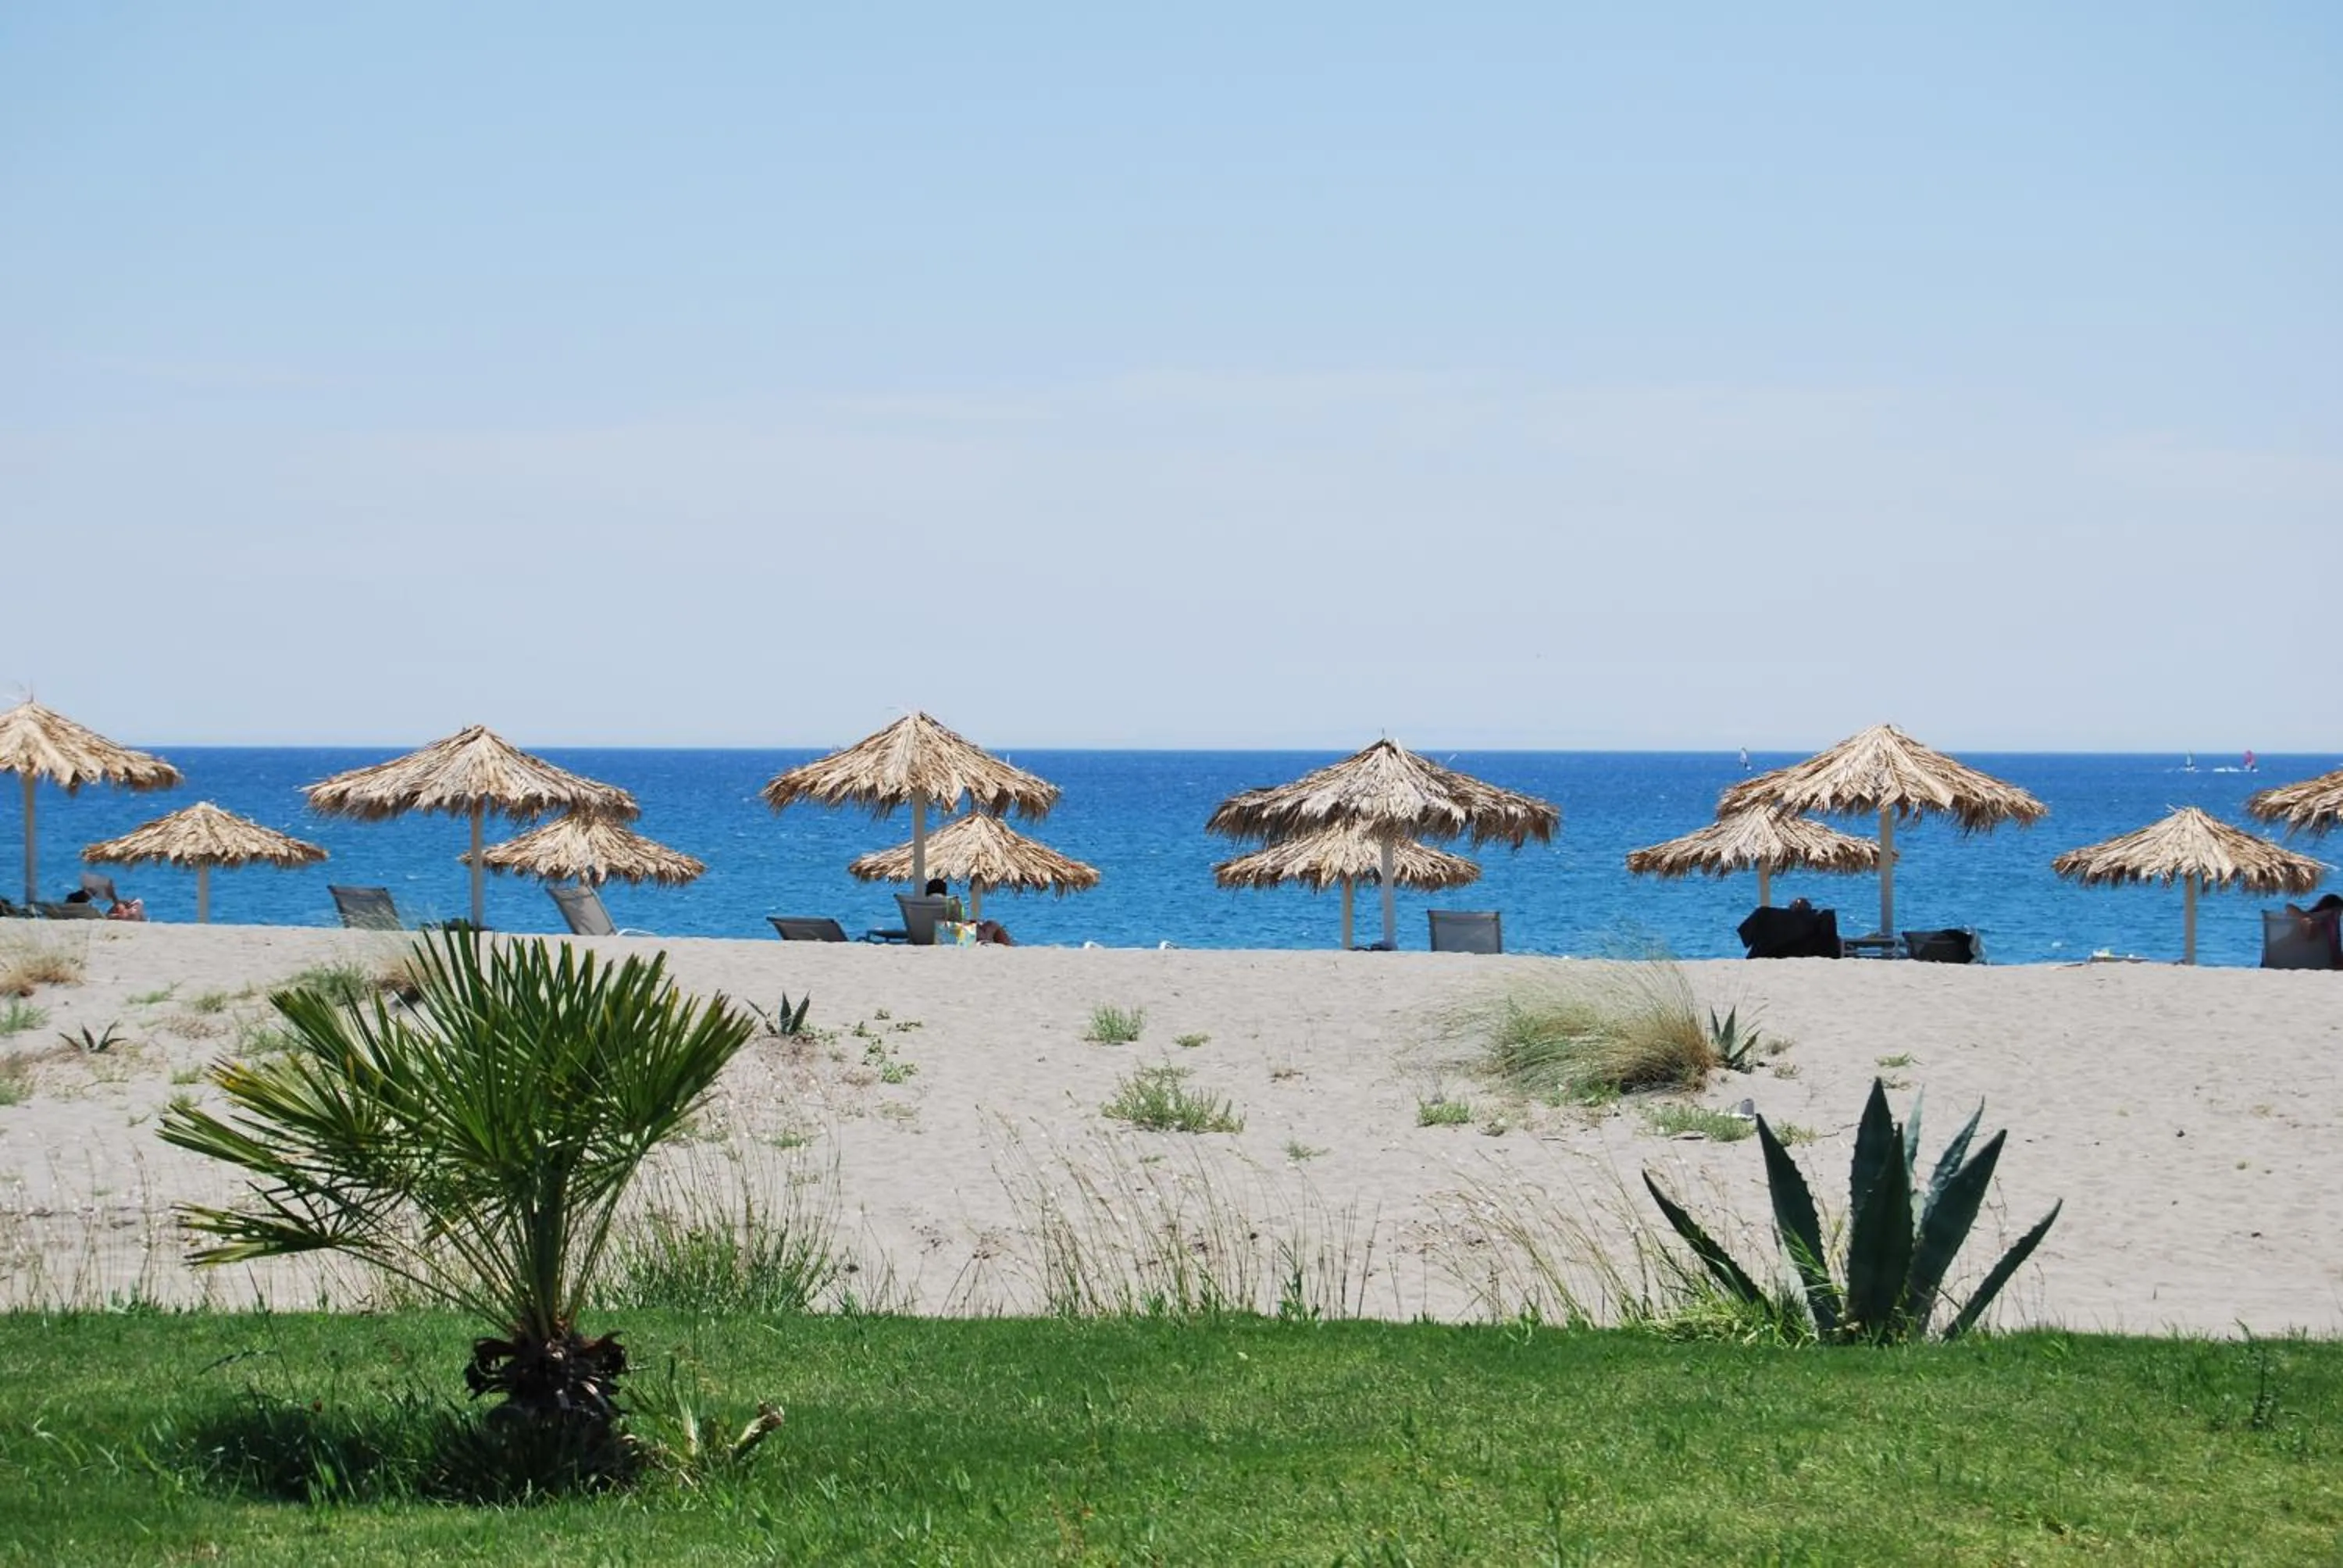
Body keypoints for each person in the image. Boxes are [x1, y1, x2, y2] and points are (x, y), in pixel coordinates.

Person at [923, 876, 1013, 945]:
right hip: (954, 938)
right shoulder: (953, 902)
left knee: (979, 926)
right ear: (945, 890)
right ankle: (1008, 948)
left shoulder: (918, 905)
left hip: (925, 936)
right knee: (992, 925)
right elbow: (958, 924)